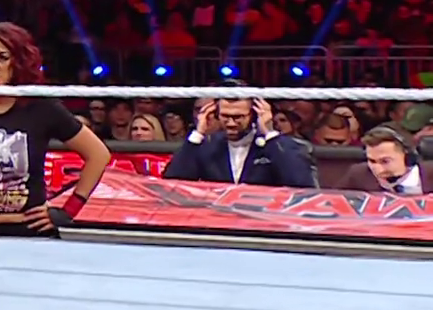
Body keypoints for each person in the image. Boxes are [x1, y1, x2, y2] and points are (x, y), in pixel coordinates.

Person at [0, 22, 112, 237]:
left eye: (2, 57)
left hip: (29, 231)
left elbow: (98, 154)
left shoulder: (42, 107)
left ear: (18, 62)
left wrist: (68, 210)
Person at [162, 86, 316, 187]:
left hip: (262, 219)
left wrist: (269, 134)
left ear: (254, 114)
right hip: (218, 220)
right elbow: (172, 183)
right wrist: (198, 134)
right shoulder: (207, 146)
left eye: (238, 117)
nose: (230, 123)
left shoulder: (276, 146)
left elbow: (301, 183)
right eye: (225, 116)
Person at [341, 126, 425, 195]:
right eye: (372, 161)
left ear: (407, 156)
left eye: (385, 161)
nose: (378, 170)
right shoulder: (358, 174)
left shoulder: (429, 175)